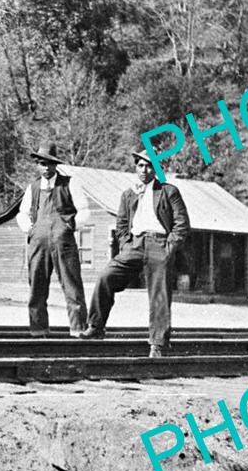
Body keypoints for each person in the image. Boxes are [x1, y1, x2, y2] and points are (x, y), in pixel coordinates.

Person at [82, 149, 190, 357]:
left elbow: (182, 224)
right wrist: (125, 245)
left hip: (159, 243)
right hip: (135, 244)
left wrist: (168, 249)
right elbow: (121, 224)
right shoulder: (128, 194)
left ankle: (158, 344)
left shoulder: (169, 191)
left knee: (159, 294)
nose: (144, 169)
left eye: (149, 165)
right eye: (140, 165)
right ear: (135, 167)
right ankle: (95, 327)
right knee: (106, 277)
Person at [16, 142, 91, 337]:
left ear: (55, 165)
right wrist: (30, 230)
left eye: (49, 164)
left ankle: (78, 329)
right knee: (36, 287)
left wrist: (70, 227)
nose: (46, 168)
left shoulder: (69, 183)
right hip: (38, 243)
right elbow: (22, 214)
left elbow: (84, 211)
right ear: (37, 165)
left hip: (63, 242)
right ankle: (38, 330)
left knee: (72, 286)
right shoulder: (32, 188)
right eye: (42, 164)